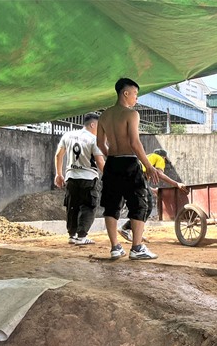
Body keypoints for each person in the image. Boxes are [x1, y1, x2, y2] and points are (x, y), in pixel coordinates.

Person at [97, 77, 159, 260]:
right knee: (139, 204)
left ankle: (115, 247)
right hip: (130, 164)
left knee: (111, 205)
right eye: (135, 94)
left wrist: (112, 157)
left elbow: (100, 143)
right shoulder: (131, 114)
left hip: (112, 163)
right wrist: (148, 166)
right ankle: (137, 248)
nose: (136, 99)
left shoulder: (104, 116)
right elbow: (134, 142)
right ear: (125, 93)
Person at [54, 113, 105, 245]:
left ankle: (72, 235)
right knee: (88, 206)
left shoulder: (68, 135)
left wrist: (58, 174)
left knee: (72, 206)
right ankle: (82, 236)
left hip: (71, 177)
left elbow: (58, 155)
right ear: (93, 124)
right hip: (88, 177)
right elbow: (100, 162)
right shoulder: (95, 139)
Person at [117, 148, 188, 242]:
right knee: (147, 207)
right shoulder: (159, 158)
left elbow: (141, 180)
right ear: (163, 157)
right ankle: (126, 228)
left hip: (128, 179)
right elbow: (159, 174)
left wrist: (152, 190)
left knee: (140, 207)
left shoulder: (147, 158)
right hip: (137, 179)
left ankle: (136, 233)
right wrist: (176, 184)